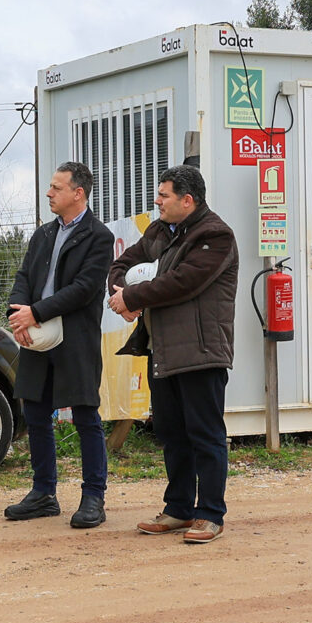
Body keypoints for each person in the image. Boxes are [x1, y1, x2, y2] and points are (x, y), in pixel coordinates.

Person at [107, 164, 239, 544]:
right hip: (162, 349)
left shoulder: (215, 235)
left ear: (187, 200)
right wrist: (121, 296)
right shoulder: (160, 231)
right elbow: (121, 264)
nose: (156, 201)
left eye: (163, 195)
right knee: (171, 433)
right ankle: (179, 509)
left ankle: (211, 514)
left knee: (205, 435)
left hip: (201, 350)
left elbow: (184, 282)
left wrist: (132, 296)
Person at [3, 160, 112, 529]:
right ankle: (43, 493)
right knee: (34, 412)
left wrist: (35, 311)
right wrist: (17, 313)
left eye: (56, 187)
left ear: (77, 193)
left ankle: (94, 497)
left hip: (76, 339)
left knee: (85, 415)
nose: (49, 193)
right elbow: (23, 276)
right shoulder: (44, 233)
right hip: (36, 336)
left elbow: (84, 289)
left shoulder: (99, 237)